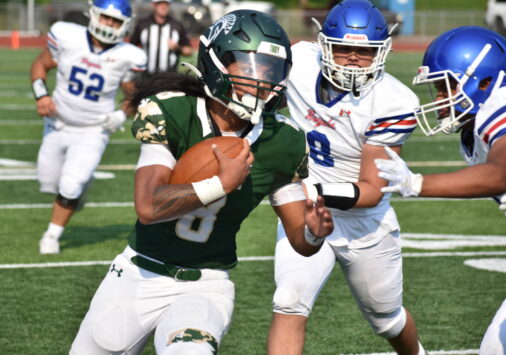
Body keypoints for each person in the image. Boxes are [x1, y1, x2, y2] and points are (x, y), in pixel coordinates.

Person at [69, 9, 334, 354]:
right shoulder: (172, 111)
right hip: (138, 273)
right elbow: (149, 206)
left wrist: (314, 232)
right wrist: (220, 184)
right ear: (215, 63)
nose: (262, 80)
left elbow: (301, 240)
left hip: (205, 285)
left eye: (270, 71)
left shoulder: (282, 140)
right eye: (249, 67)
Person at [267, 1, 426, 354]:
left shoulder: (393, 101)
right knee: (289, 299)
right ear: (324, 45)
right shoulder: (301, 62)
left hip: (363, 222)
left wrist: (306, 189)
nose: (353, 58)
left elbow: (370, 190)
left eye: (364, 51)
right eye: (343, 48)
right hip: (307, 207)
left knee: (387, 319)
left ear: (381, 53)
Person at [374, 26, 506, 355]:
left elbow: (502, 173)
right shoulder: (476, 128)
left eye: (445, 87)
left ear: (484, 80)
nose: (439, 100)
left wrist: (417, 183)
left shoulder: (498, 106)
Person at [30, 0, 147, 254]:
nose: (109, 24)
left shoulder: (128, 55)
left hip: (94, 130)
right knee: (49, 183)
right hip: (57, 123)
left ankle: (52, 235)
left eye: (116, 21)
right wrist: (41, 95)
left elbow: (132, 95)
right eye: (106, 17)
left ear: (125, 25)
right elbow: (40, 65)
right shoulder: (67, 36)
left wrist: (121, 114)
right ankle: (76, 191)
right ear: (93, 15)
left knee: (70, 184)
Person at [129, 0, 193, 74]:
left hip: (169, 77)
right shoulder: (143, 24)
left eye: (165, 3)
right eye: (160, 3)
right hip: (147, 77)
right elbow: (131, 48)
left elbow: (189, 51)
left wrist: (177, 47)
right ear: (154, 5)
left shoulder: (177, 25)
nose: (163, 6)